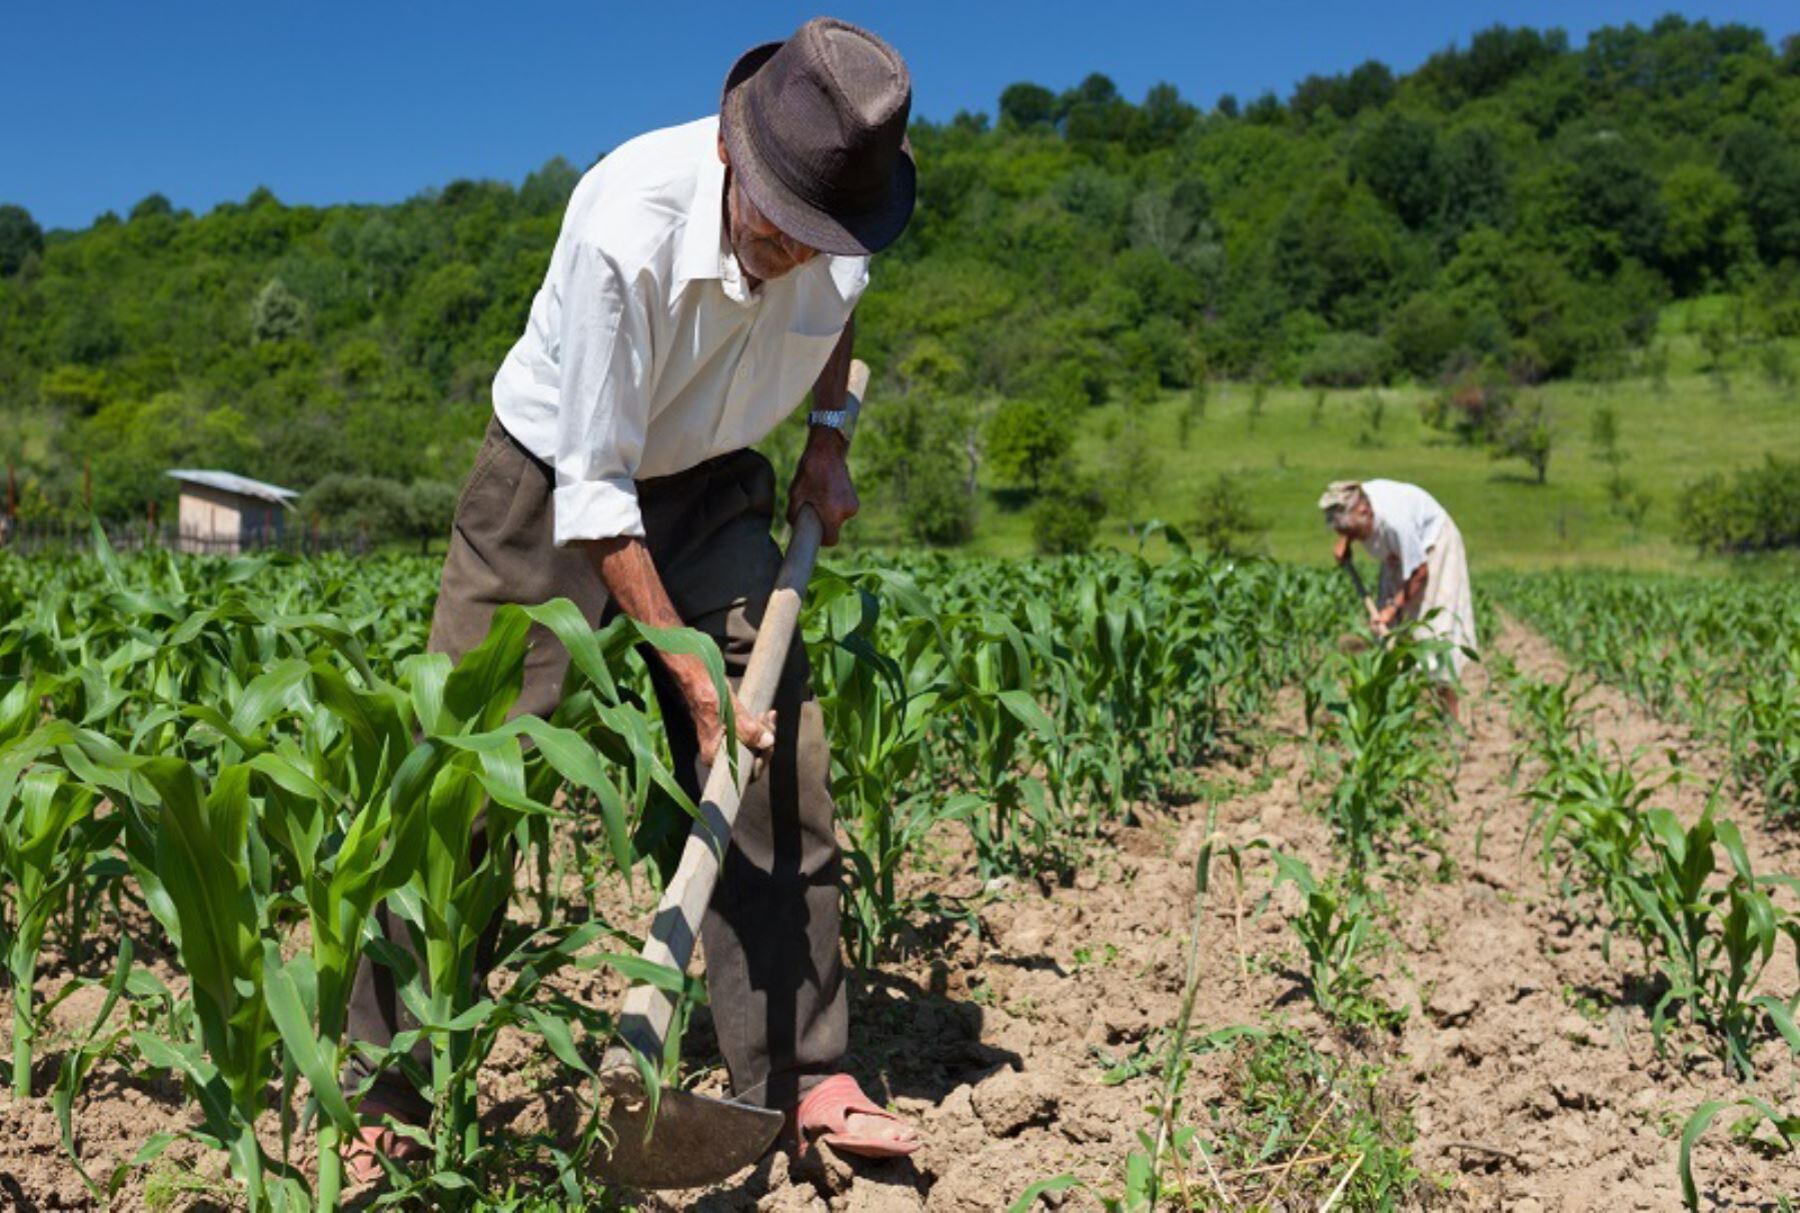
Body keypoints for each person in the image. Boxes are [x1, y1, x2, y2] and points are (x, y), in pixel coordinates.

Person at [342, 17, 921, 1180]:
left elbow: (838, 310)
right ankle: (384, 1080)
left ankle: (802, 1074)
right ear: (732, 152)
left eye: (818, 238)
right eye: (777, 226)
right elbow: (597, 497)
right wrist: (688, 678)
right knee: (465, 771)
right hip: (556, 478)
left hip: (712, 476)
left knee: (777, 753)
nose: (793, 255)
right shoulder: (626, 224)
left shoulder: (842, 220)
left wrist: (827, 437)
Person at [1318, 479, 1476, 717]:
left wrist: (1392, 608)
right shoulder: (1355, 500)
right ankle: (1397, 715)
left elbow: (1420, 571)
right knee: (1388, 634)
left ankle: (1449, 720)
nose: (1356, 538)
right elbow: (1347, 518)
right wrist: (1345, 540)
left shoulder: (1396, 523)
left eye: (1354, 533)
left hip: (1433, 547)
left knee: (1435, 636)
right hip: (1399, 553)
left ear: (1365, 512)